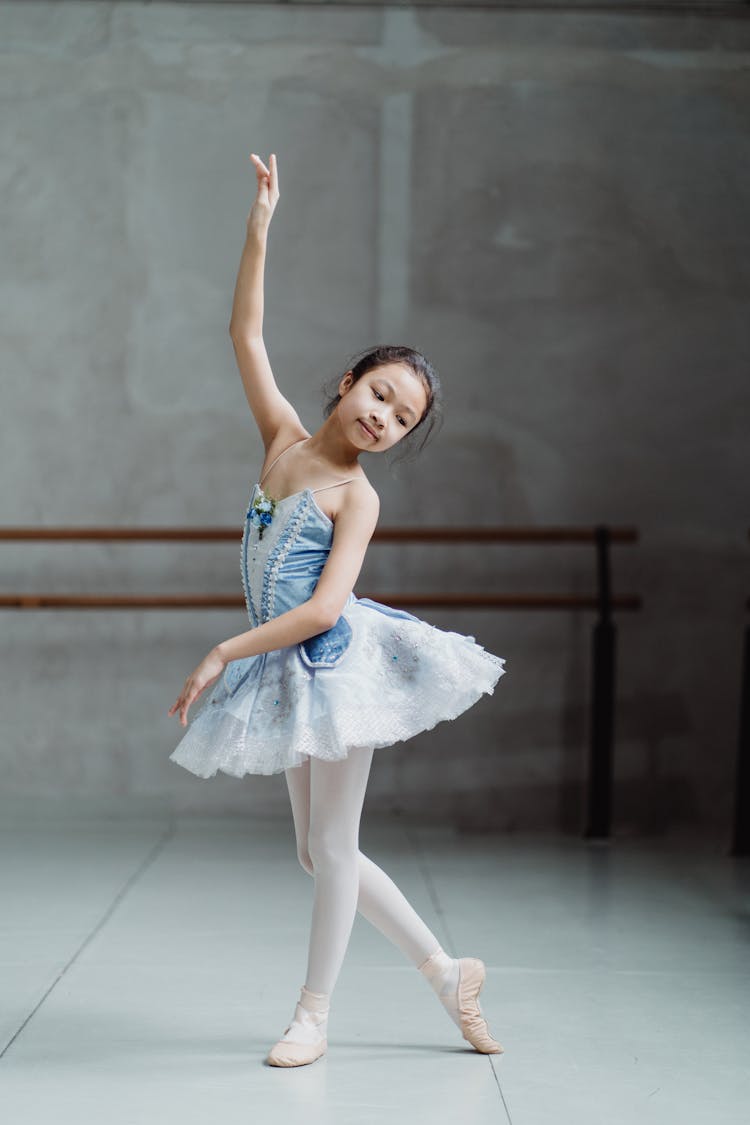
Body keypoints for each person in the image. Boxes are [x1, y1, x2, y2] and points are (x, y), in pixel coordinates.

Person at [168, 152, 507, 1068]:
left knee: (331, 843)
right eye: (381, 393)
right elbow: (244, 335)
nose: (383, 417)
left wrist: (223, 651)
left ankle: (313, 1013)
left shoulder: (357, 499)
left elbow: (324, 609)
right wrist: (260, 226)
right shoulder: (282, 440)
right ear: (352, 380)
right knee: (322, 856)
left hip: (336, 663)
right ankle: (445, 969)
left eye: (400, 420)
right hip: (288, 665)